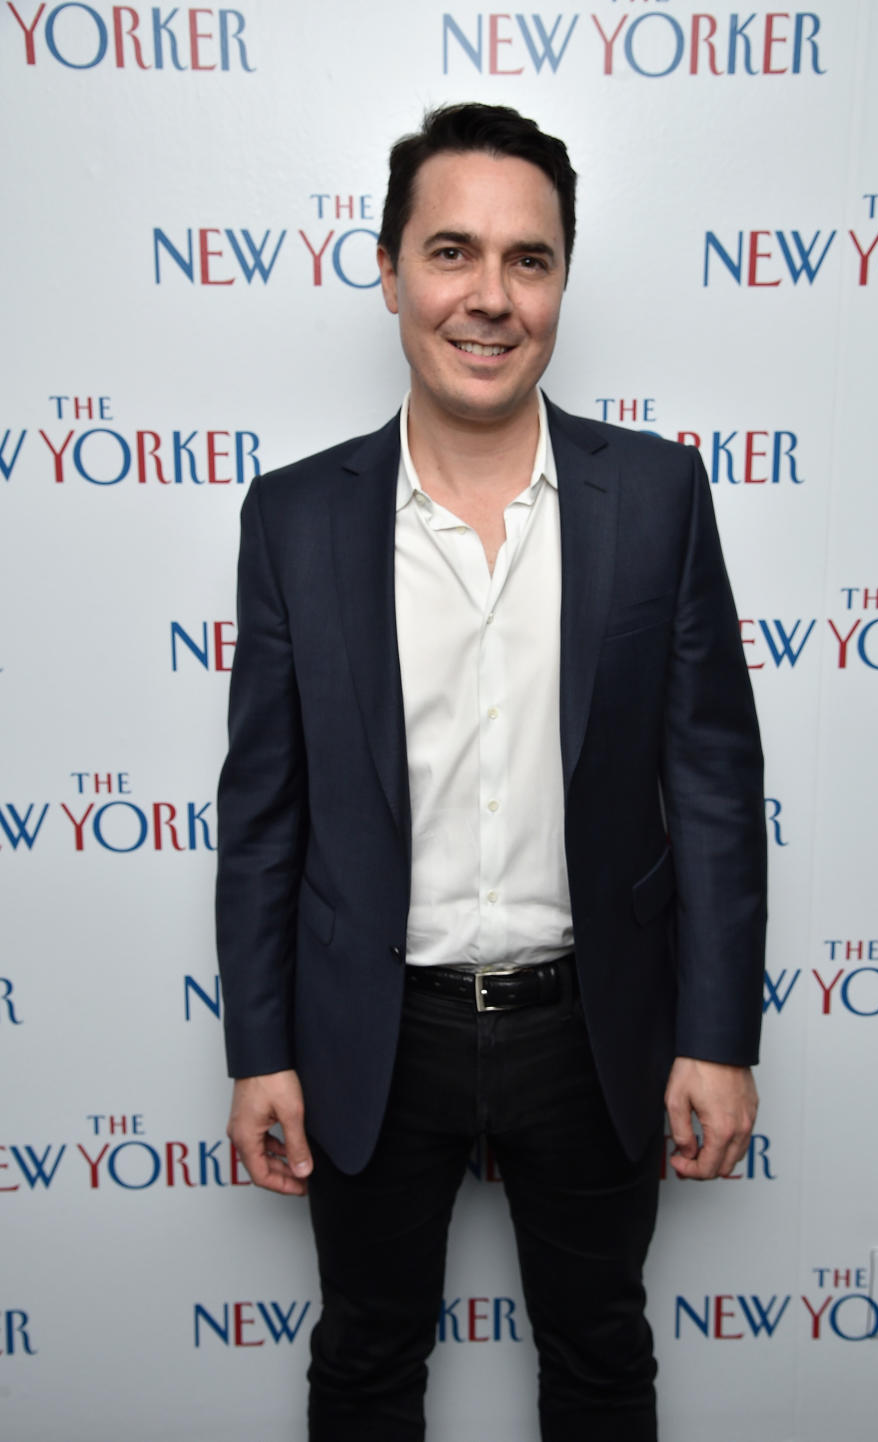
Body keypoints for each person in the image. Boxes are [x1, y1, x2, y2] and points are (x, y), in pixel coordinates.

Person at [217, 102, 766, 1442]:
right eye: (453, 250)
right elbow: (265, 811)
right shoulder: (294, 515)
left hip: (593, 1026)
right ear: (392, 268)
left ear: (564, 279)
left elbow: (710, 783)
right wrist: (260, 1047)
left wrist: (718, 1035)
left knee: (597, 1363)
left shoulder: (657, 495)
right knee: (363, 1362)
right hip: (371, 1032)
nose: (490, 296)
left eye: (530, 259)